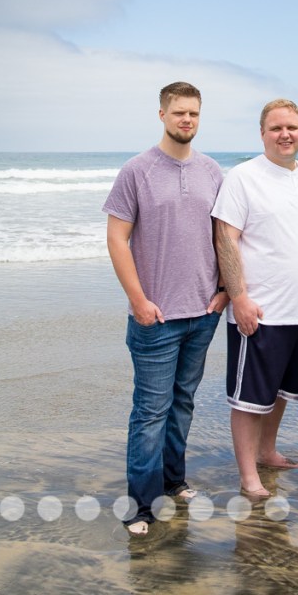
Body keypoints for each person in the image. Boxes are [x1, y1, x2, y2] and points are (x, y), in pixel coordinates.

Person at [103, 81, 227, 536]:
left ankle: (173, 481)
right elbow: (117, 238)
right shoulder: (136, 171)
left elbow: (224, 238)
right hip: (155, 316)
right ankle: (141, 505)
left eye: (193, 113)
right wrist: (138, 301)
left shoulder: (213, 171)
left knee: (183, 403)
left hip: (202, 312)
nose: (186, 120)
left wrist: (225, 292)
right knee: (150, 411)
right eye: (178, 113)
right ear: (161, 114)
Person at [212, 99, 298, 498]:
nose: (285, 134)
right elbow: (225, 237)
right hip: (259, 309)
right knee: (249, 397)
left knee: (280, 391)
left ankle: (268, 451)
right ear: (262, 134)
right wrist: (237, 296)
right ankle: (248, 477)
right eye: (276, 128)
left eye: (292, 127)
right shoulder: (243, 177)